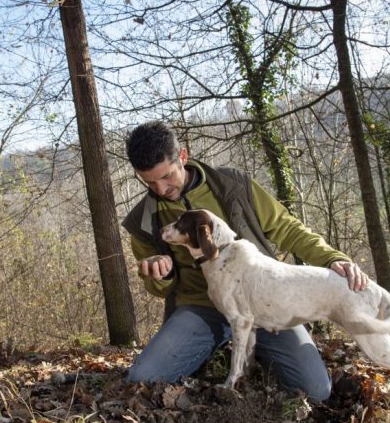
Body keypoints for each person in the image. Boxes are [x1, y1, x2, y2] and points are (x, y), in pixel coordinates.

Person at [122, 121, 369, 400]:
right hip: (200, 309)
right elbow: (157, 289)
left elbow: (288, 229)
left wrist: (332, 259)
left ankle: (256, 353)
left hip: (263, 301)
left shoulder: (234, 185)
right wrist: (159, 276)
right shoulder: (142, 221)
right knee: (142, 379)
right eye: (149, 182)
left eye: (167, 176)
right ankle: (220, 351)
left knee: (316, 391)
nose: (160, 188)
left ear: (182, 156)